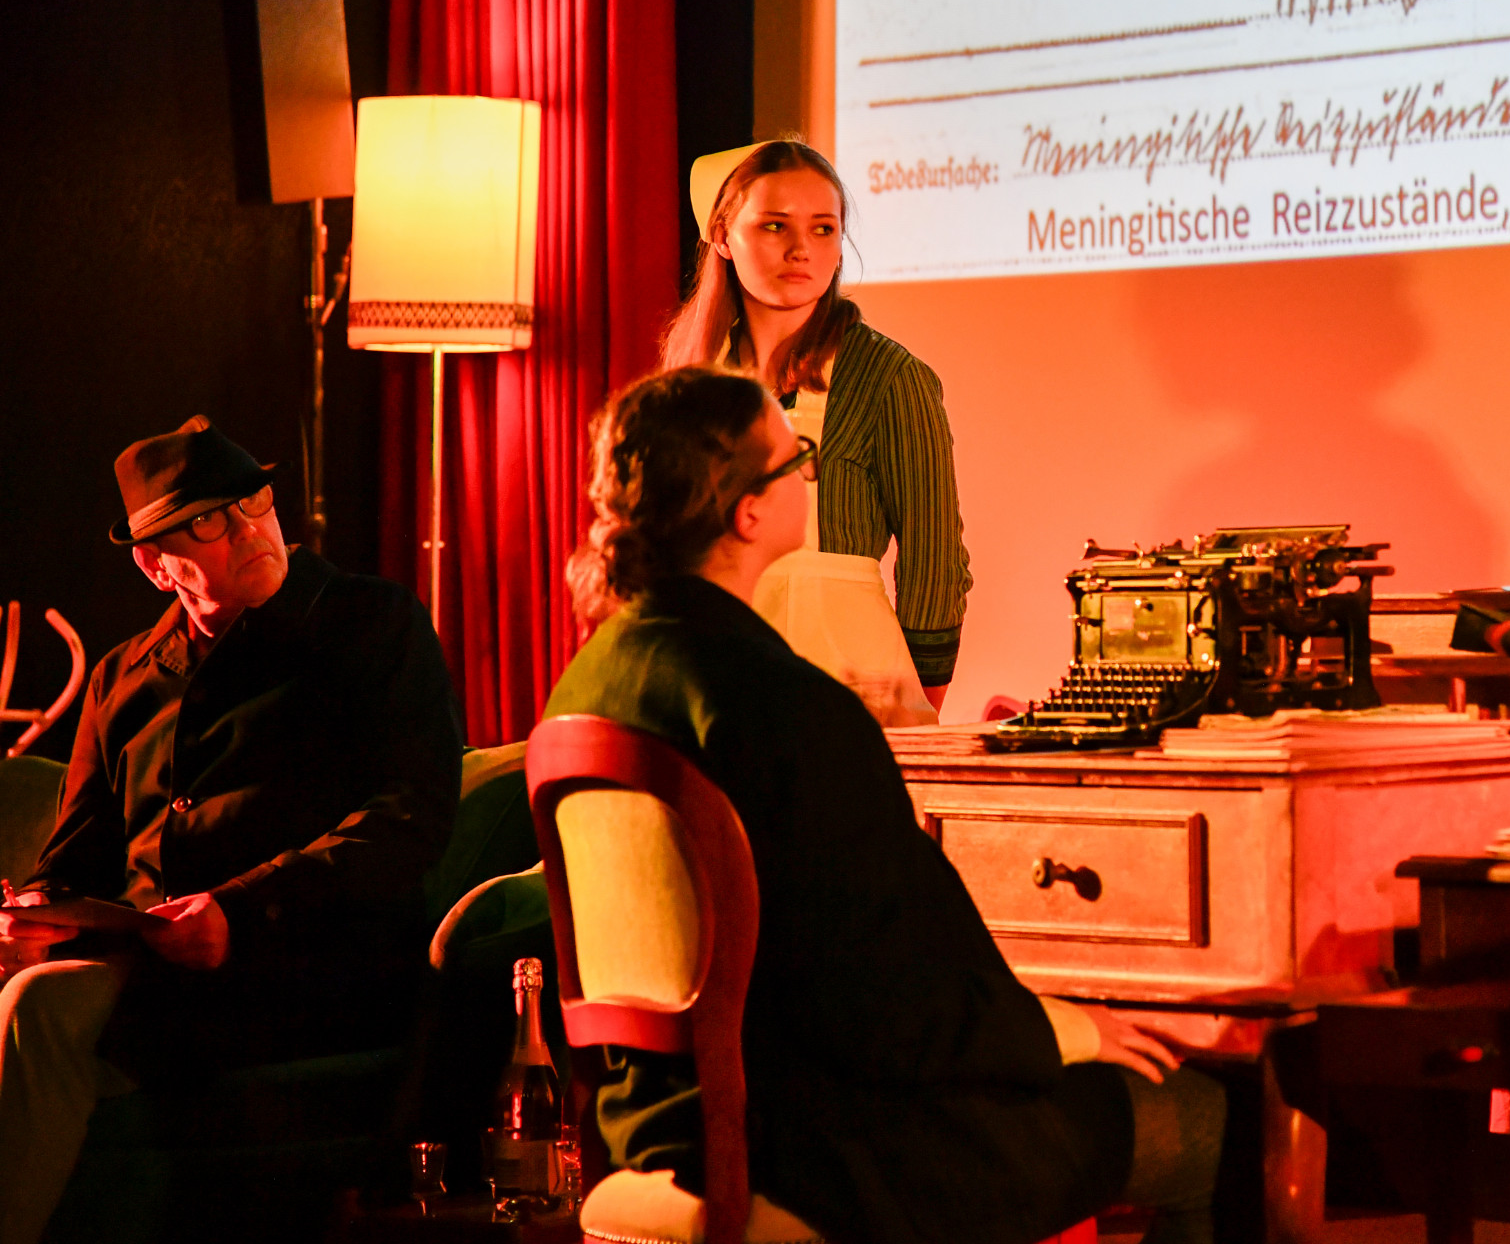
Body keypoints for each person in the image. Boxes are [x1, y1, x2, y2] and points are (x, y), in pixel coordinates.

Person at [551, 368, 1226, 1244]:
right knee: (1205, 1116)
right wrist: (1071, 1029)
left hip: (650, 1128)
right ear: (748, 514)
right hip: (826, 1150)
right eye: (796, 459)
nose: (809, 472)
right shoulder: (784, 704)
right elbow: (896, 1006)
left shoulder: (588, 684)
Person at [0, 417, 462, 1244]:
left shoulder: (370, 623)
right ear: (155, 564)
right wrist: (36, 913)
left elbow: (409, 818)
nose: (250, 529)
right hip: (149, 969)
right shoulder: (121, 675)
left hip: (306, 965)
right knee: (26, 979)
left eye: (256, 502)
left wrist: (240, 910)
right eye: (211, 521)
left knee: (40, 1005)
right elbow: (76, 856)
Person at [654, 139, 968, 726]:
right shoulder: (693, 378)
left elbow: (935, 563)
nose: (801, 249)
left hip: (856, 693)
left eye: (824, 229)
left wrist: (917, 706)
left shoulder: (889, 378)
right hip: (717, 684)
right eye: (775, 225)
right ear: (722, 236)